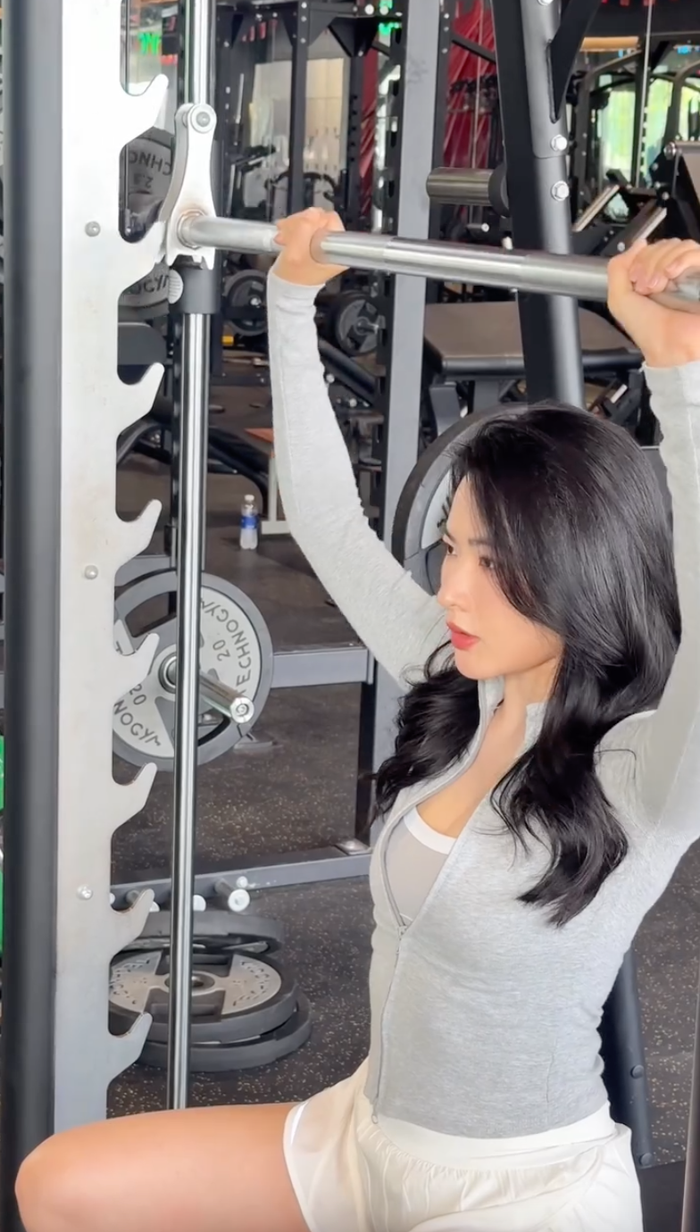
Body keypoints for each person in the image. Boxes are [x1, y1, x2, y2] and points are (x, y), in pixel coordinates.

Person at [15, 219, 700, 1232]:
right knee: (60, 1185)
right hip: (363, 1134)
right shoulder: (467, 681)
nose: (452, 588)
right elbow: (332, 524)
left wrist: (680, 373)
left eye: (492, 562)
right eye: (452, 549)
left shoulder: (645, 771)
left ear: (580, 568)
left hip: (520, 1190)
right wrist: (292, 297)